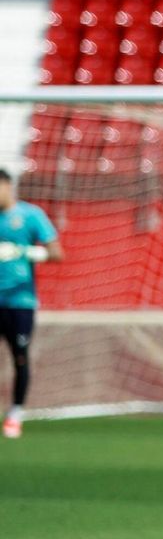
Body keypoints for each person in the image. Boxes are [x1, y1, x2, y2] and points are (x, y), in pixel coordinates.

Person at [0, 169, 64, 439]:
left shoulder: (30, 215)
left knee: (20, 357)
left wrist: (23, 252)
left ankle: (15, 414)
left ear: (7, 186)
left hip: (20, 303)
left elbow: (57, 253)